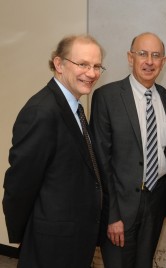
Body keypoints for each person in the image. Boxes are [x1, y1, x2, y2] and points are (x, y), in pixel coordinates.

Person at [2, 35, 105, 268]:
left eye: (96, 66)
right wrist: (28, 234)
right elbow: (19, 185)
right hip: (51, 245)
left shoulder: (74, 107)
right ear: (59, 64)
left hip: (72, 240)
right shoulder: (42, 111)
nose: (91, 73)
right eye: (83, 64)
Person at [89, 32, 166, 268]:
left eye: (156, 55)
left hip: (155, 201)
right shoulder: (106, 97)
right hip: (120, 206)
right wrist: (111, 215)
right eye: (142, 54)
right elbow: (100, 162)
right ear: (130, 57)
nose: (149, 61)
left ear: (163, 62)